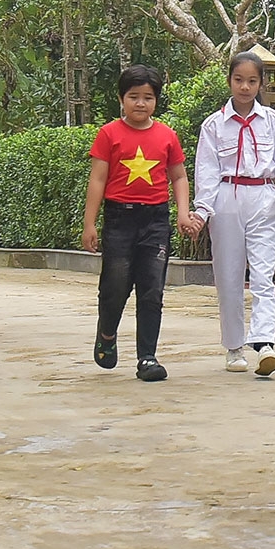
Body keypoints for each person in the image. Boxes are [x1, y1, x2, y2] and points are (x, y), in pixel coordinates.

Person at [82, 66, 199, 382]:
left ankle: (147, 357)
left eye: (148, 97)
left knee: (151, 290)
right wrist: (89, 224)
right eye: (133, 96)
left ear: (156, 101)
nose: (140, 103)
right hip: (119, 219)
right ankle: (107, 333)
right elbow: (97, 178)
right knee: (115, 284)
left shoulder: (167, 136)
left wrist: (183, 212)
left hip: (155, 221)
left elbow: (178, 176)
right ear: (121, 99)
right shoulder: (108, 134)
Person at [195, 49, 275, 379]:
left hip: (264, 197)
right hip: (227, 198)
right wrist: (202, 209)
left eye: (252, 81)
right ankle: (234, 346)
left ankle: (264, 341)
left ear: (260, 84)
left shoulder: (274, 122)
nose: (245, 87)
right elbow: (207, 170)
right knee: (228, 274)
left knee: (265, 273)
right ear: (229, 81)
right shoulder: (213, 125)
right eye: (239, 80)